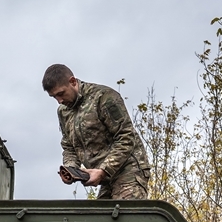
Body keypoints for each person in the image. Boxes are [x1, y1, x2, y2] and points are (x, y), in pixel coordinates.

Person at [42, 64, 151, 200]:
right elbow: (69, 146)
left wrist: (103, 170)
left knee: (125, 216)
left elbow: (126, 137)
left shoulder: (103, 97)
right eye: (54, 97)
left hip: (129, 169)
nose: (59, 101)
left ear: (73, 82)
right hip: (105, 177)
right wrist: (70, 169)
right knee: (99, 218)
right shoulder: (64, 111)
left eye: (61, 94)